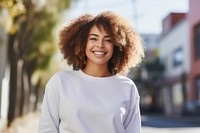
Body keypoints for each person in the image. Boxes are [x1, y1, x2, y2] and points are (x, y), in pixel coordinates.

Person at [38, 11, 144, 133]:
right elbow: (47, 129)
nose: (100, 45)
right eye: (93, 38)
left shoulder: (127, 87)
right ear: (81, 43)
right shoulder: (60, 82)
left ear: (117, 45)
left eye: (108, 40)